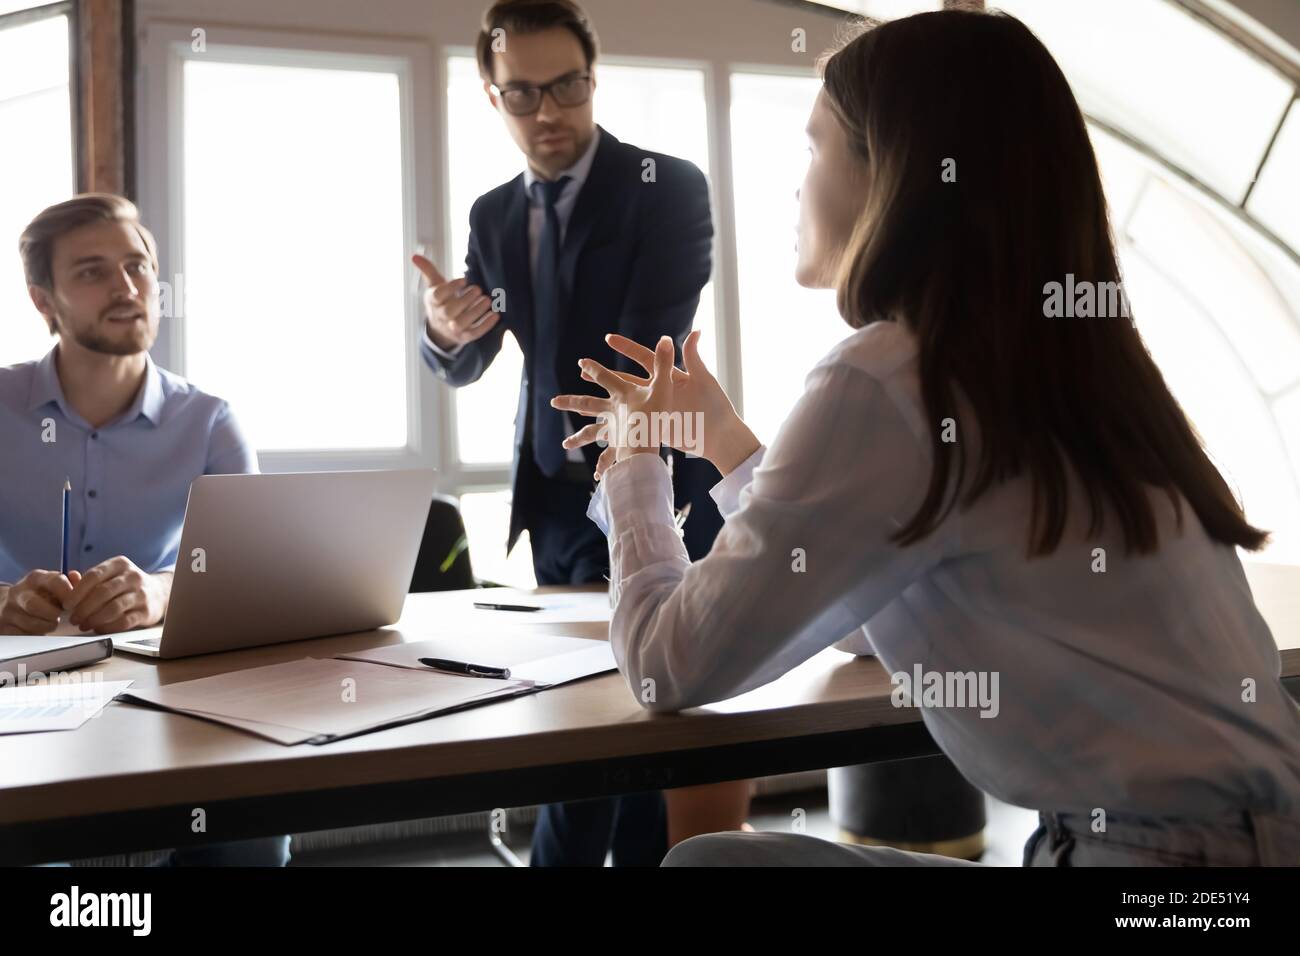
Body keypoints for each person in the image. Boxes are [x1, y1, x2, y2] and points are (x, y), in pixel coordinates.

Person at [553, 9, 1300, 866]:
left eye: (815, 147)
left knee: (709, 863)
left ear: (892, 173)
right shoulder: (1072, 367)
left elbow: (666, 665)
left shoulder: (890, 375)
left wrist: (634, 462)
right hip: (1228, 856)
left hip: (1165, 879)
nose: (797, 185)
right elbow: (866, 615)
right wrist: (723, 440)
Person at [413, 0, 746, 866]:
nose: (548, 111)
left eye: (565, 86)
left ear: (592, 78)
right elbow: (470, 360)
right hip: (555, 503)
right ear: (491, 97)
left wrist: (614, 443)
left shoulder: (665, 187)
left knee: (646, 722)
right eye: (521, 93)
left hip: (658, 487)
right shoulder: (493, 215)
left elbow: (644, 350)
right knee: (569, 724)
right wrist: (450, 331)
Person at [0, 193, 291, 867]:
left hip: (163, 699)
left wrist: (163, 592)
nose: (127, 287)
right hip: (15, 702)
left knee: (251, 830)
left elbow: (253, 584)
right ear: (45, 302)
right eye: (92, 272)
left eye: (138, 266)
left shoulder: (212, 422)